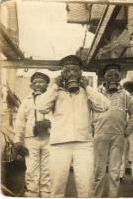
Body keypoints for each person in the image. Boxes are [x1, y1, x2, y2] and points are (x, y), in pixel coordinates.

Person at [35, 55, 109, 197]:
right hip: (59, 143)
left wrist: (86, 86)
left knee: (86, 186)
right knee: (57, 185)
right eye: (67, 70)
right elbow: (40, 106)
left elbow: (104, 106)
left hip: (83, 143)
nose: (71, 74)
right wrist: (55, 86)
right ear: (62, 73)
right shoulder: (55, 91)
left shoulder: (86, 92)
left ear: (81, 72)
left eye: (75, 70)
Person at [93, 64, 133, 197]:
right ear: (104, 77)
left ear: (120, 77)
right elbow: (86, 110)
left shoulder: (125, 94)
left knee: (115, 170)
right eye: (109, 74)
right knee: (98, 170)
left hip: (118, 135)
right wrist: (91, 129)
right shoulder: (96, 93)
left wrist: (127, 131)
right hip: (100, 134)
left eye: (116, 75)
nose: (113, 77)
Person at [13, 72, 51, 197]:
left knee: (47, 168)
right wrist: (18, 140)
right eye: (35, 82)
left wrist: (51, 123)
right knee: (31, 169)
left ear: (47, 84)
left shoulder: (53, 99)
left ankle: (46, 193)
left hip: (49, 138)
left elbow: (61, 117)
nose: (38, 84)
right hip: (31, 139)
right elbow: (20, 121)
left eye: (41, 82)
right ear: (31, 86)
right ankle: (32, 193)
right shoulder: (26, 101)